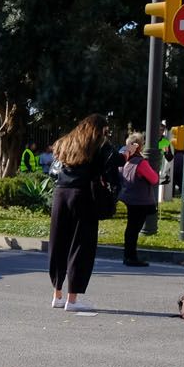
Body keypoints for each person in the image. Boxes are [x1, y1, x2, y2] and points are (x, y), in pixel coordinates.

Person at [46, 113, 117, 314]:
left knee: (58, 243)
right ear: (99, 129)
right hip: (83, 195)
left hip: (61, 194)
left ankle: (57, 295)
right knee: (80, 246)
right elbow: (111, 165)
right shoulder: (97, 145)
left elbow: (54, 169)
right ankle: (73, 299)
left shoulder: (64, 142)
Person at [116, 131, 160, 266]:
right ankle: (131, 257)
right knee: (134, 229)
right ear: (140, 146)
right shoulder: (141, 163)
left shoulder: (126, 162)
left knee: (131, 228)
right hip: (140, 201)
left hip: (129, 198)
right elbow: (154, 179)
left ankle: (128, 255)